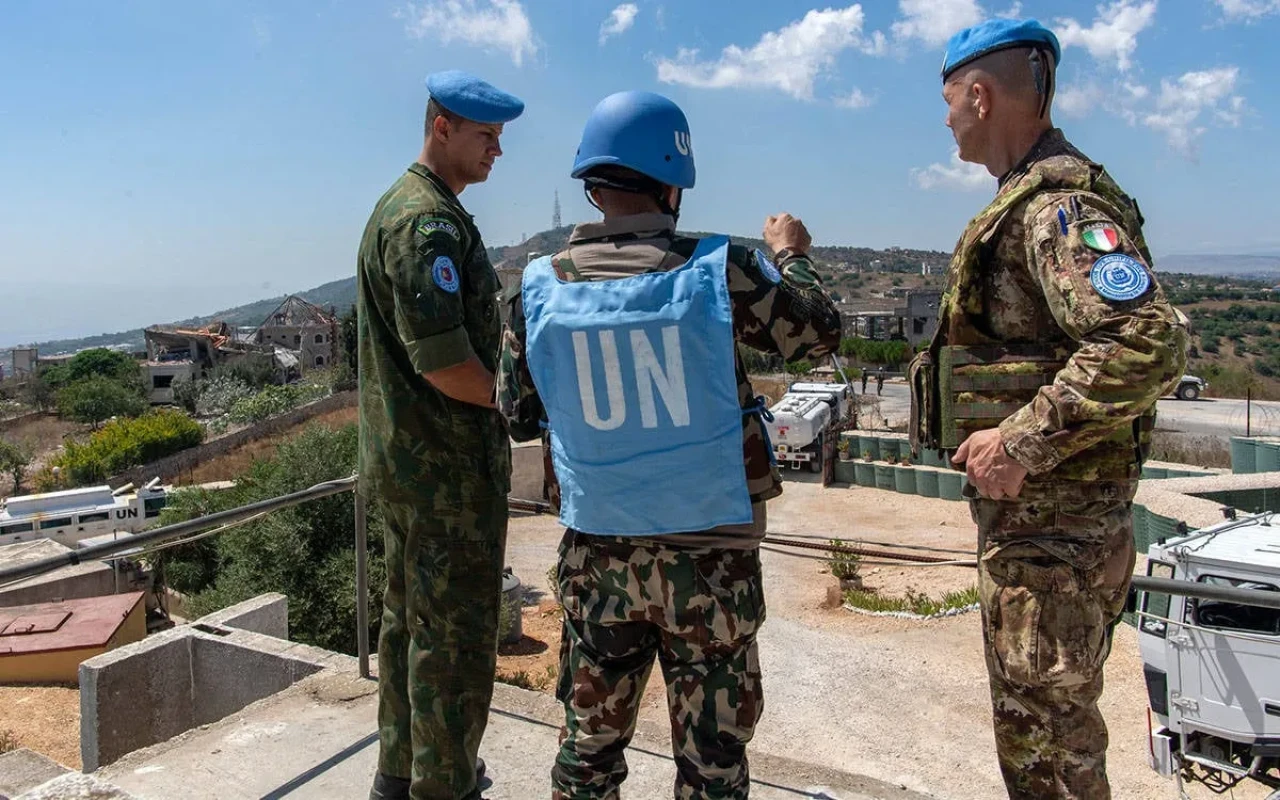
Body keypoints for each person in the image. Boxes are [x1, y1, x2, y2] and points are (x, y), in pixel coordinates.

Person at [497, 91, 841, 800]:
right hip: (712, 557)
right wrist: (793, 256)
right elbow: (817, 333)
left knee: (587, 749)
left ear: (592, 183)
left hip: (600, 555)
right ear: (673, 182)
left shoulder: (536, 288)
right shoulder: (726, 268)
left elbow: (519, 415)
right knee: (712, 760)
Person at [907, 19, 1187, 800]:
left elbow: (1146, 339)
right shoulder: (1033, 200)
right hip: (1049, 541)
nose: (946, 120)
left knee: (1054, 763)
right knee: (1044, 747)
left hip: (1054, 545)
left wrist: (1019, 441)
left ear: (979, 93)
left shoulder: (1055, 209)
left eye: (948, 102)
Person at [357, 70, 523, 800]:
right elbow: (446, 361)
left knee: (409, 629)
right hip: (445, 474)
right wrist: (512, 401)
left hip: (412, 466)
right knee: (452, 643)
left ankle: (405, 774)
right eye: (486, 136)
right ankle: (445, 786)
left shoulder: (419, 210)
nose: (497, 151)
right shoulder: (426, 223)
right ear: (442, 127)